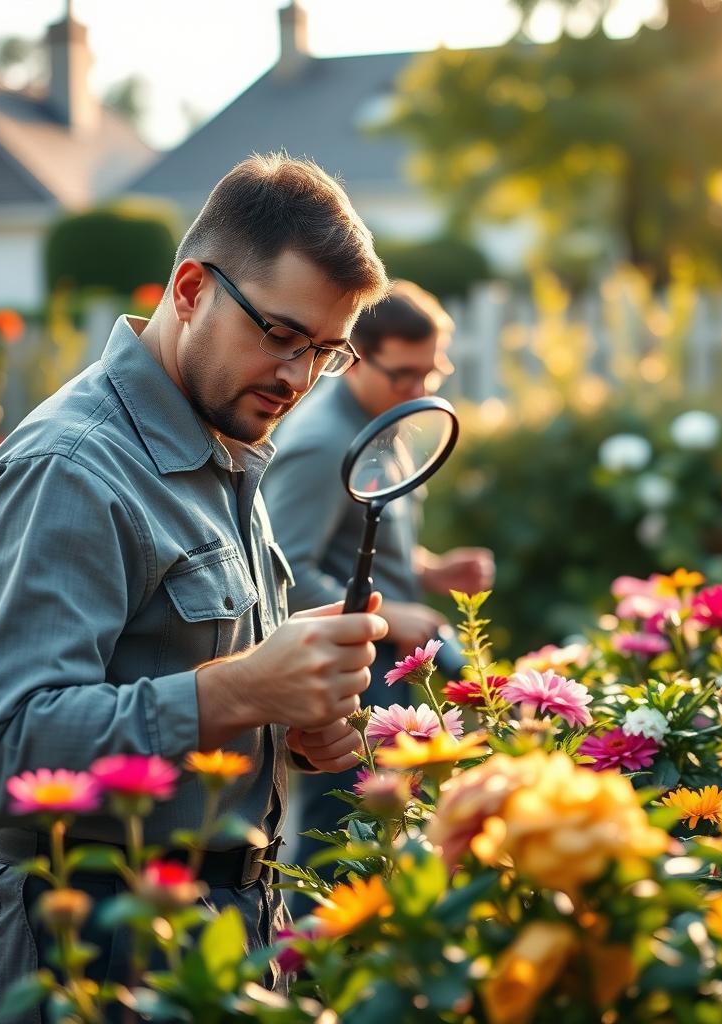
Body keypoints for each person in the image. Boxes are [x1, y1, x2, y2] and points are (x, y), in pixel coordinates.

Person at [0, 154, 391, 1021]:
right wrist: (242, 687)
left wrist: (286, 719)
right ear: (190, 290)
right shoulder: (70, 470)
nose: (299, 379)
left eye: (326, 353)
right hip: (90, 951)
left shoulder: (218, 441)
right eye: (282, 335)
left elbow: (175, 673)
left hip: (227, 931)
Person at [261, 281, 494, 905]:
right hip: (356, 673)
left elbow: (359, 545)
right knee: (340, 840)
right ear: (355, 357)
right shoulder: (320, 444)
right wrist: (391, 615)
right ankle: (311, 975)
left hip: (391, 653)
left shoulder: (379, 415)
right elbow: (281, 573)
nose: (419, 393)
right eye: (404, 375)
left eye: (432, 373)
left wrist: (431, 572)